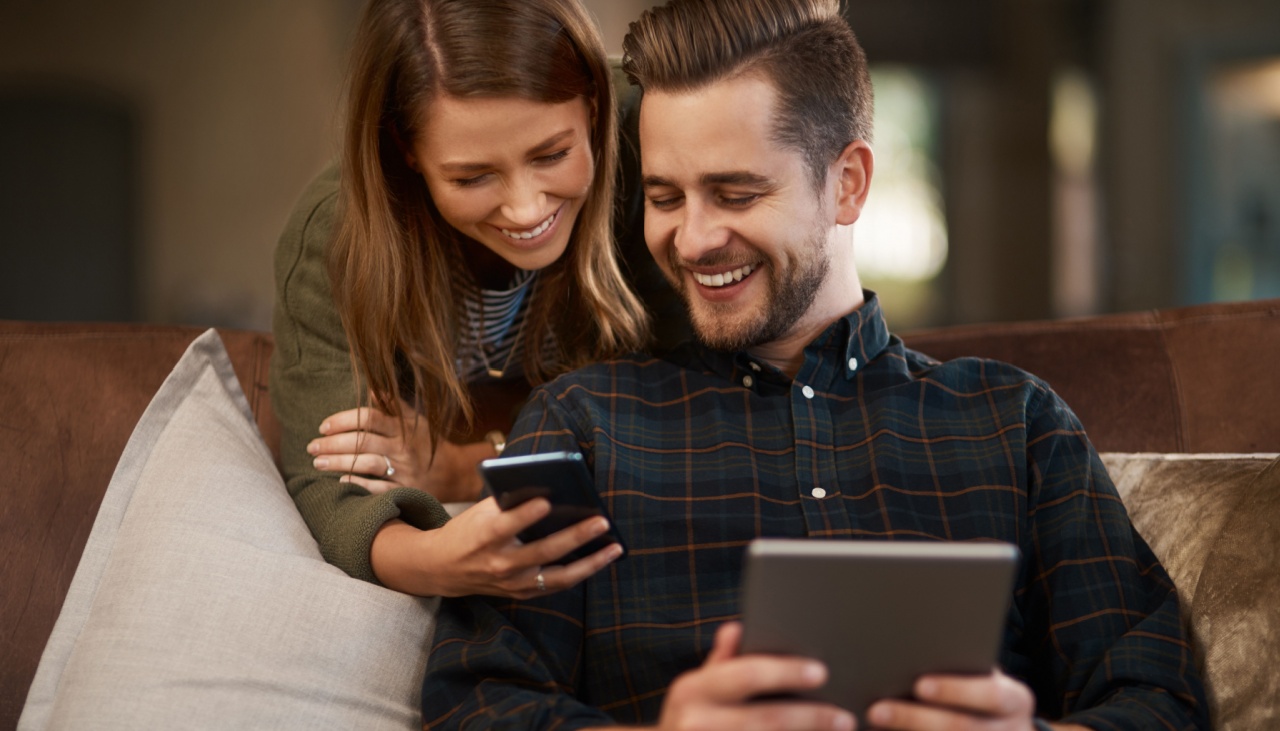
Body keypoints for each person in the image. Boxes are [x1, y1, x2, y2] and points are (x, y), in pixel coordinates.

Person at [422, 0, 1210, 729]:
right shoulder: (584, 425)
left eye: (735, 193)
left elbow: (1161, 699)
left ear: (848, 183)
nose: (692, 240)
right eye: (666, 197)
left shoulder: (1013, 422)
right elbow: (473, 706)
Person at [269, 0, 687, 599]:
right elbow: (335, 479)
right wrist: (438, 561)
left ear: (593, 103)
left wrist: (464, 466)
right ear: (405, 146)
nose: (525, 210)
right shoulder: (336, 235)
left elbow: (690, 398)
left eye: (552, 155)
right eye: (471, 178)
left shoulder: (654, 133)